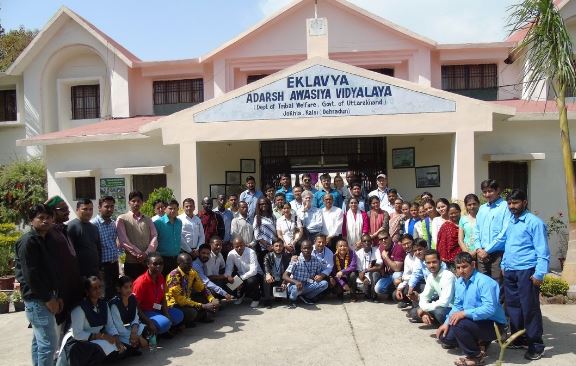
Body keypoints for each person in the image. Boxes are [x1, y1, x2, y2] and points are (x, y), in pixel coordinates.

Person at [502, 189, 549, 360]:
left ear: (525, 203)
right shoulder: (511, 221)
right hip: (510, 271)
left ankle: (536, 345)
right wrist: (503, 264)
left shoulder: (534, 223)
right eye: (509, 203)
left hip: (527, 271)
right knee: (513, 307)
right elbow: (509, 245)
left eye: (515, 203)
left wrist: (540, 273)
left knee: (530, 309)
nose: (512, 206)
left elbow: (542, 250)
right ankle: (519, 339)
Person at [436, 252, 507, 366]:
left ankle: (475, 356)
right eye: (458, 268)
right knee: (445, 337)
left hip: (493, 324)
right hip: (474, 321)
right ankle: (481, 342)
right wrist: (445, 323)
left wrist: (464, 313)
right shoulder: (459, 282)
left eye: (464, 266)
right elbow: (458, 306)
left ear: (473, 265)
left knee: (459, 324)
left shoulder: (485, 282)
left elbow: (489, 309)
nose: (461, 270)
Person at [15, 204, 62, 366]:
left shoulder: (46, 239)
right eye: (40, 218)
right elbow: (31, 275)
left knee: (39, 342)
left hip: (49, 295)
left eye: (48, 217)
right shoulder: (28, 241)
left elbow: (52, 270)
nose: (45, 221)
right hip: (37, 299)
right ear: (31, 220)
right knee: (48, 344)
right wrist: (48, 299)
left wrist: (57, 295)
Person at [58, 276, 124, 366]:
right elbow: (77, 334)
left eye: (100, 287)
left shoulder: (104, 305)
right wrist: (102, 336)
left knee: (116, 348)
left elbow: (110, 326)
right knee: (95, 349)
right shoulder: (79, 308)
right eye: (94, 288)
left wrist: (117, 339)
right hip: (77, 342)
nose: (98, 290)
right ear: (87, 291)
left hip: (95, 339)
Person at [44, 196, 83, 327]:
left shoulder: (62, 230)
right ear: (52, 212)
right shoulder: (49, 233)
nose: (68, 212)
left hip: (71, 287)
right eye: (63, 209)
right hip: (59, 291)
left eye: (67, 209)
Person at [132, 254, 184, 335]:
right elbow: (135, 307)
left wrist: (166, 314)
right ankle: (149, 330)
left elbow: (163, 297)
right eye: (155, 264)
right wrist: (149, 322)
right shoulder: (140, 282)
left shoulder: (160, 277)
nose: (159, 266)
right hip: (145, 312)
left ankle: (163, 328)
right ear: (148, 264)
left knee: (179, 315)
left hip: (157, 308)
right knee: (165, 323)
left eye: (161, 263)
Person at [166, 253, 220, 327]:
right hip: (175, 305)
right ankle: (191, 319)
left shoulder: (192, 272)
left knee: (212, 297)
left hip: (188, 300)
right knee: (192, 313)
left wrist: (212, 299)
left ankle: (198, 316)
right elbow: (180, 301)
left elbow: (202, 288)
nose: (190, 266)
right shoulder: (173, 276)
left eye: (191, 263)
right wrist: (203, 306)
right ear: (179, 263)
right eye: (187, 264)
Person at [117, 191, 158, 280]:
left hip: (147, 262)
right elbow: (123, 240)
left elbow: (154, 236)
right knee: (132, 290)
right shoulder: (122, 219)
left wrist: (146, 253)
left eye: (139, 201)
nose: (136, 203)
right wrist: (138, 254)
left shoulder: (148, 219)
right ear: (129, 202)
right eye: (133, 201)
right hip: (131, 263)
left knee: (146, 288)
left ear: (142, 203)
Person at [474, 180, 509, 284]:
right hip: (481, 253)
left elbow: (504, 232)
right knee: (483, 283)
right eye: (484, 192)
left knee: (497, 283)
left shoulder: (505, 206)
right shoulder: (482, 208)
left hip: (497, 253)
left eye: (490, 191)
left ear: (497, 190)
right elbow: (476, 230)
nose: (487, 194)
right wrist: (478, 249)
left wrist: (487, 250)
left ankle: (498, 301)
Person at [413, 249, 455, 325]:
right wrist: (424, 311)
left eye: (434, 262)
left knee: (439, 313)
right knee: (414, 312)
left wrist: (424, 309)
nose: (431, 265)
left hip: (453, 308)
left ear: (440, 261)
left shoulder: (448, 276)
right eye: (428, 263)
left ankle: (447, 324)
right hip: (439, 307)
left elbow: (444, 302)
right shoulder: (430, 277)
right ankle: (431, 318)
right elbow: (424, 296)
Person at [283, 240, 329, 308]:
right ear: (301, 249)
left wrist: (319, 276)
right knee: (296, 289)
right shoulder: (296, 260)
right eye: (304, 248)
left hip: (308, 285)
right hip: (295, 285)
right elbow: (284, 276)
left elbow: (319, 273)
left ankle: (306, 297)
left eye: (308, 248)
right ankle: (293, 300)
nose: (307, 250)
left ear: (312, 249)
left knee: (325, 284)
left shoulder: (315, 260)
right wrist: (295, 282)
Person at [109, 276, 148, 355]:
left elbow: (135, 317)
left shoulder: (132, 298)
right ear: (119, 289)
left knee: (144, 329)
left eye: (131, 286)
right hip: (118, 332)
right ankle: (133, 347)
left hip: (128, 329)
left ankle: (134, 346)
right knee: (130, 343)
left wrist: (134, 332)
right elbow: (119, 327)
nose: (129, 290)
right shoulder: (115, 304)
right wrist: (138, 337)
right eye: (126, 287)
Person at [91, 196, 120, 300]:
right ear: (99, 208)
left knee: (114, 293)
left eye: (112, 206)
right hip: (102, 267)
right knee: (103, 295)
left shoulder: (113, 223)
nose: (109, 209)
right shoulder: (94, 224)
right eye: (106, 206)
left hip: (114, 264)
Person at [224, 237, 263, 308]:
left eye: (241, 245)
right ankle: (240, 295)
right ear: (233, 246)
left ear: (244, 244)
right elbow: (228, 268)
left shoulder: (251, 252)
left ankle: (256, 299)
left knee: (251, 281)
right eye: (237, 246)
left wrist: (240, 279)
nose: (239, 248)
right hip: (242, 274)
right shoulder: (231, 253)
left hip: (256, 274)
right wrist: (229, 277)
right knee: (229, 284)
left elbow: (253, 271)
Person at [67, 198, 101, 278]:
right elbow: (69, 253)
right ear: (77, 210)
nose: (88, 212)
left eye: (90, 209)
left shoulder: (94, 227)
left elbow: (98, 249)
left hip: (94, 273)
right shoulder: (71, 227)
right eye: (85, 209)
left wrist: (99, 269)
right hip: (79, 274)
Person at [154, 199, 183, 277]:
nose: (173, 210)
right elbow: (154, 240)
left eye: (175, 208)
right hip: (163, 259)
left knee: (175, 283)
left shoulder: (179, 222)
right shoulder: (158, 223)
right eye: (170, 208)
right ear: (165, 209)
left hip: (176, 258)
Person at [262, 239, 292, 308]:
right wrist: (268, 274)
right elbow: (266, 266)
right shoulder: (268, 256)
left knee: (279, 299)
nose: (278, 248)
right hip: (272, 279)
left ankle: (278, 295)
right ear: (272, 246)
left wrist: (285, 282)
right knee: (265, 277)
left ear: (283, 247)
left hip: (281, 279)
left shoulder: (286, 256)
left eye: (280, 246)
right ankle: (267, 300)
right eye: (276, 246)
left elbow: (288, 271)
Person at [375, 231, 405, 298]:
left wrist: (386, 257)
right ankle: (393, 292)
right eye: (381, 239)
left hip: (400, 274)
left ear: (390, 237)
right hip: (389, 274)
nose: (383, 240)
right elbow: (380, 263)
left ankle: (402, 295)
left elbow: (397, 268)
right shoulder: (381, 248)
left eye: (385, 238)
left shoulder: (398, 248)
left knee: (396, 275)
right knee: (378, 288)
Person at [355, 234, 382, 301]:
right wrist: (364, 278)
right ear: (361, 243)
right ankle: (367, 292)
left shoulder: (376, 250)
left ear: (371, 242)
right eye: (364, 241)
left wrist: (367, 270)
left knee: (374, 274)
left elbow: (380, 264)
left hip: (373, 275)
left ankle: (374, 295)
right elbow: (359, 271)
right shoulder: (358, 253)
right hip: (363, 278)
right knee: (365, 289)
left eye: (369, 241)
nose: (367, 243)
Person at [436, 203, 463, 271]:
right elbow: (441, 244)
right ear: (448, 214)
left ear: (460, 211)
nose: (453, 215)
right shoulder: (445, 226)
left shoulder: (465, 223)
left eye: (456, 212)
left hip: (463, 257)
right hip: (448, 261)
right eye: (451, 213)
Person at [395, 234, 418, 308]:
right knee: (396, 293)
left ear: (413, 242)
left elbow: (416, 275)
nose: (407, 246)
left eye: (408, 243)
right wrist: (399, 288)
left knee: (406, 288)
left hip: (420, 282)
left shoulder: (418, 254)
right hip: (410, 281)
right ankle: (407, 300)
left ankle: (417, 306)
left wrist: (403, 279)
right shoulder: (407, 257)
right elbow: (406, 275)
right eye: (404, 244)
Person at [253, 197, 277, 265]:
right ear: (259, 206)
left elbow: (276, 231)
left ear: (269, 204)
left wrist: (274, 245)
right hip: (263, 247)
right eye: (261, 204)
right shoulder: (257, 218)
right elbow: (257, 235)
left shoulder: (273, 216)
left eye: (266, 203)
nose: (264, 205)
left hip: (274, 246)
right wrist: (267, 246)